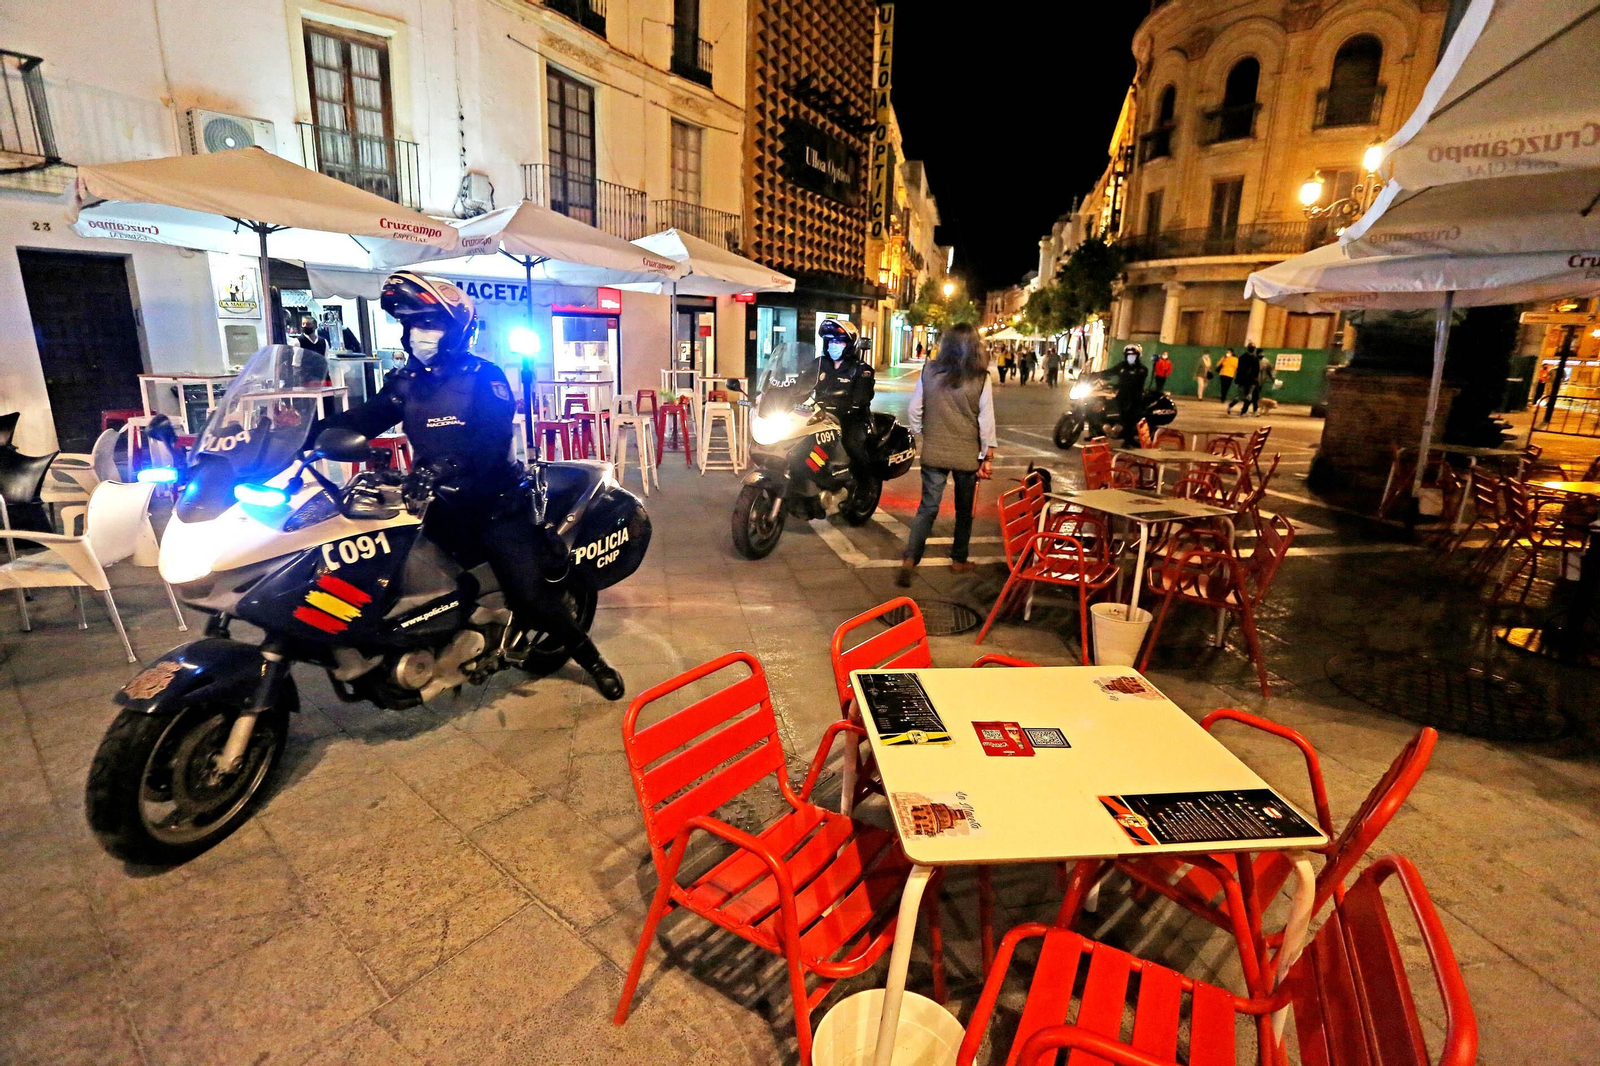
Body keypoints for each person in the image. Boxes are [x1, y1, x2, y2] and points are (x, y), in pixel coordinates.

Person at [315, 271, 626, 700]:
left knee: (531, 596)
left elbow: (491, 437)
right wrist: (306, 436)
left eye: (430, 324)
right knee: (395, 577)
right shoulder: (406, 383)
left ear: (457, 330)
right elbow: (361, 420)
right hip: (436, 506)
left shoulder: (485, 376)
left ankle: (591, 659)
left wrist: (446, 464)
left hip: (497, 504)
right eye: (411, 325)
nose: (418, 335)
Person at [899, 323, 995, 587]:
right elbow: (986, 419)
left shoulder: (929, 371)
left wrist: (923, 432)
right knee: (965, 510)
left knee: (928, 507)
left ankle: (910, 557)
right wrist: (987, 455)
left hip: (935, 450)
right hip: (967, 454)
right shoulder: (981, 377)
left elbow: (915, 409)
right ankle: (958, 560)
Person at [814, 318, 876, 466]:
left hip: (850, 419)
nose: (833, 345)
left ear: (849, 345)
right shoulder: (819, 364)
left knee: (852, 446)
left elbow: (862, 396)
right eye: (831, 342)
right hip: (821, 416)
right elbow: (800, 382)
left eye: (839, 342)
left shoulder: (861, 369)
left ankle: (865, 484)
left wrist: (852, 402)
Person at [1113, 343, 1148, 448]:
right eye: (1128, 355)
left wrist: (1119, 384)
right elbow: (1110, 372)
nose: (1130, 357)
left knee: (1130, 418)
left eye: (1133, 355)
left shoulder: (1141, 369)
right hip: (1121, 397)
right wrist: (1095, 375)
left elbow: (1133, 381)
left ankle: (1128, 440)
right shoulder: (1121, 366)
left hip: (1134, 398)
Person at [1228, 344, 1259, 415]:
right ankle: (1231, 405)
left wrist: (1255, 379)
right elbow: (1240, 369)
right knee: (1240, 396)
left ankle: (1244, 411)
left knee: (1249, 396)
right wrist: (1238, 379)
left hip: (1251, 380)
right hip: (1243, 380)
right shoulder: (1243, 357)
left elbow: (1256, 370)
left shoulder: (1254, 358)